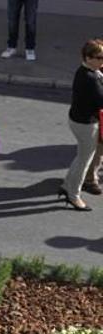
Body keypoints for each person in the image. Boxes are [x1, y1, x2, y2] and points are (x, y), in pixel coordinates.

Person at [59, 39, 103, 212]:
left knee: (81, 157)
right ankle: (74, 195)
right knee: (84, 161)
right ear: (88, 57)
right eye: (99, 57)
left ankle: (66, 185)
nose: (102, 61)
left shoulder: (88, 71)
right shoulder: (90, 78)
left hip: (78, 120)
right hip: (86, 124)